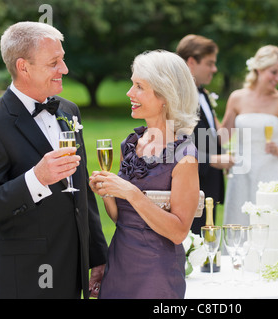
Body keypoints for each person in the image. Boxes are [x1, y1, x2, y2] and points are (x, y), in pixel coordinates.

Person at [0, 22, 108, 298]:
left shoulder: (69, 110)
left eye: (63, 59)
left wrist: (97, 254)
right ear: (23, 67)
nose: (65, 69)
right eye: (54, 62)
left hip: (74, 266)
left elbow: (80, 188)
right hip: (25, 275)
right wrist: (37, 178)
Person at [89, 50, 200, 299]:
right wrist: (107, 192)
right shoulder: (132, 144)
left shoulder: (185, 156)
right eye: (132, 84)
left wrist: (131, 192)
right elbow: (121, 218)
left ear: (165, 96)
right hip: (119, 264)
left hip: (156, 273)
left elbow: (179, 232)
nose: (130, 93)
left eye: (139, 86)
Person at [220, 45, 278, 225]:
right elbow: (223, 136)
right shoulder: (237, 98)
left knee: (270, 223)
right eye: (274, 72)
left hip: (270, 170)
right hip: (241, 172)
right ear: (258, 69)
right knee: (239, 222)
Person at [176, 34, 233, 234]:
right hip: (188, 189)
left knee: (207, 253)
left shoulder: (202, 93)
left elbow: (210, 136)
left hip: (209, 188)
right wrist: (212, 160)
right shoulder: (176, 96)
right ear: (191, 62)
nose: (214, 69)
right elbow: (173, 147)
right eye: (210, 63)